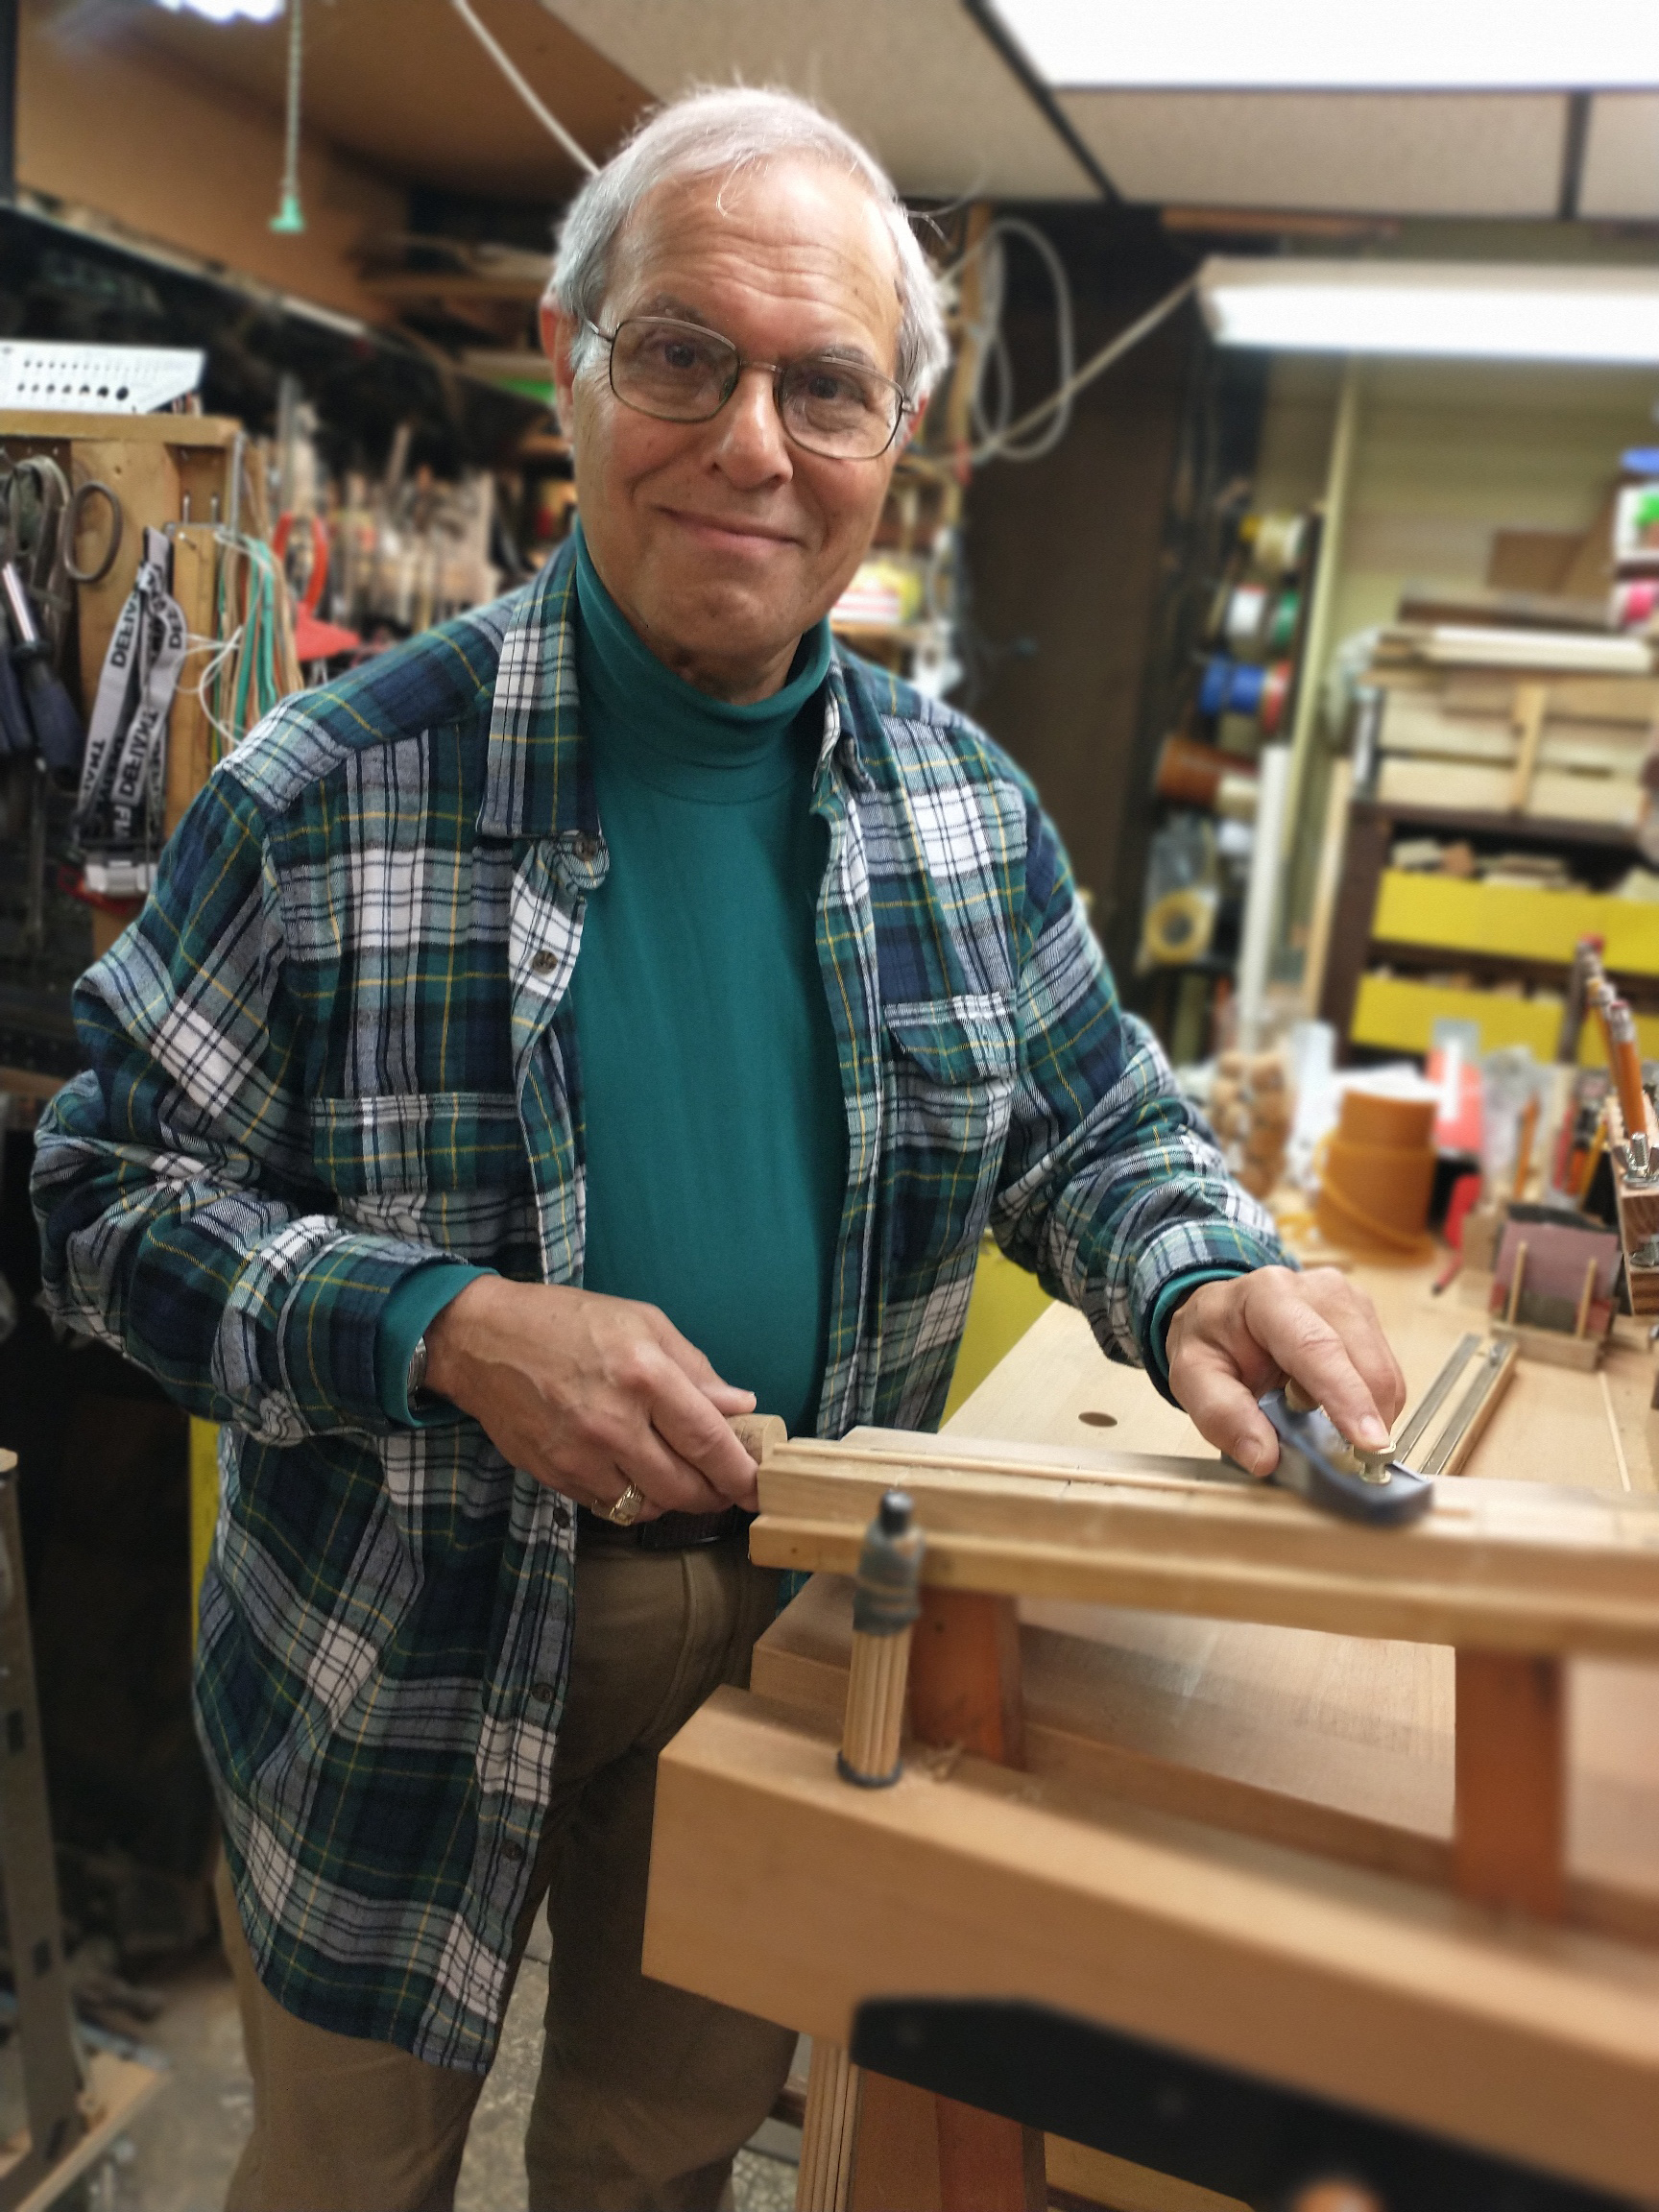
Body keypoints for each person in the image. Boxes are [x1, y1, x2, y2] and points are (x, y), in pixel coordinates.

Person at [31, 84, 1405, 2212]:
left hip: (777, 1623)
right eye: (686, 355)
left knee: (657, 2167)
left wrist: (1207, 1265)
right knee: (339, 2170)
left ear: (894, 452)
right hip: (393, 1647)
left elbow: (1098, 1123)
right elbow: (98, 1205)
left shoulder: (967, 814)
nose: (753, 443)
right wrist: (450, 1326)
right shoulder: (325, 790)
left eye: (825, 386)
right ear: (576, 369)